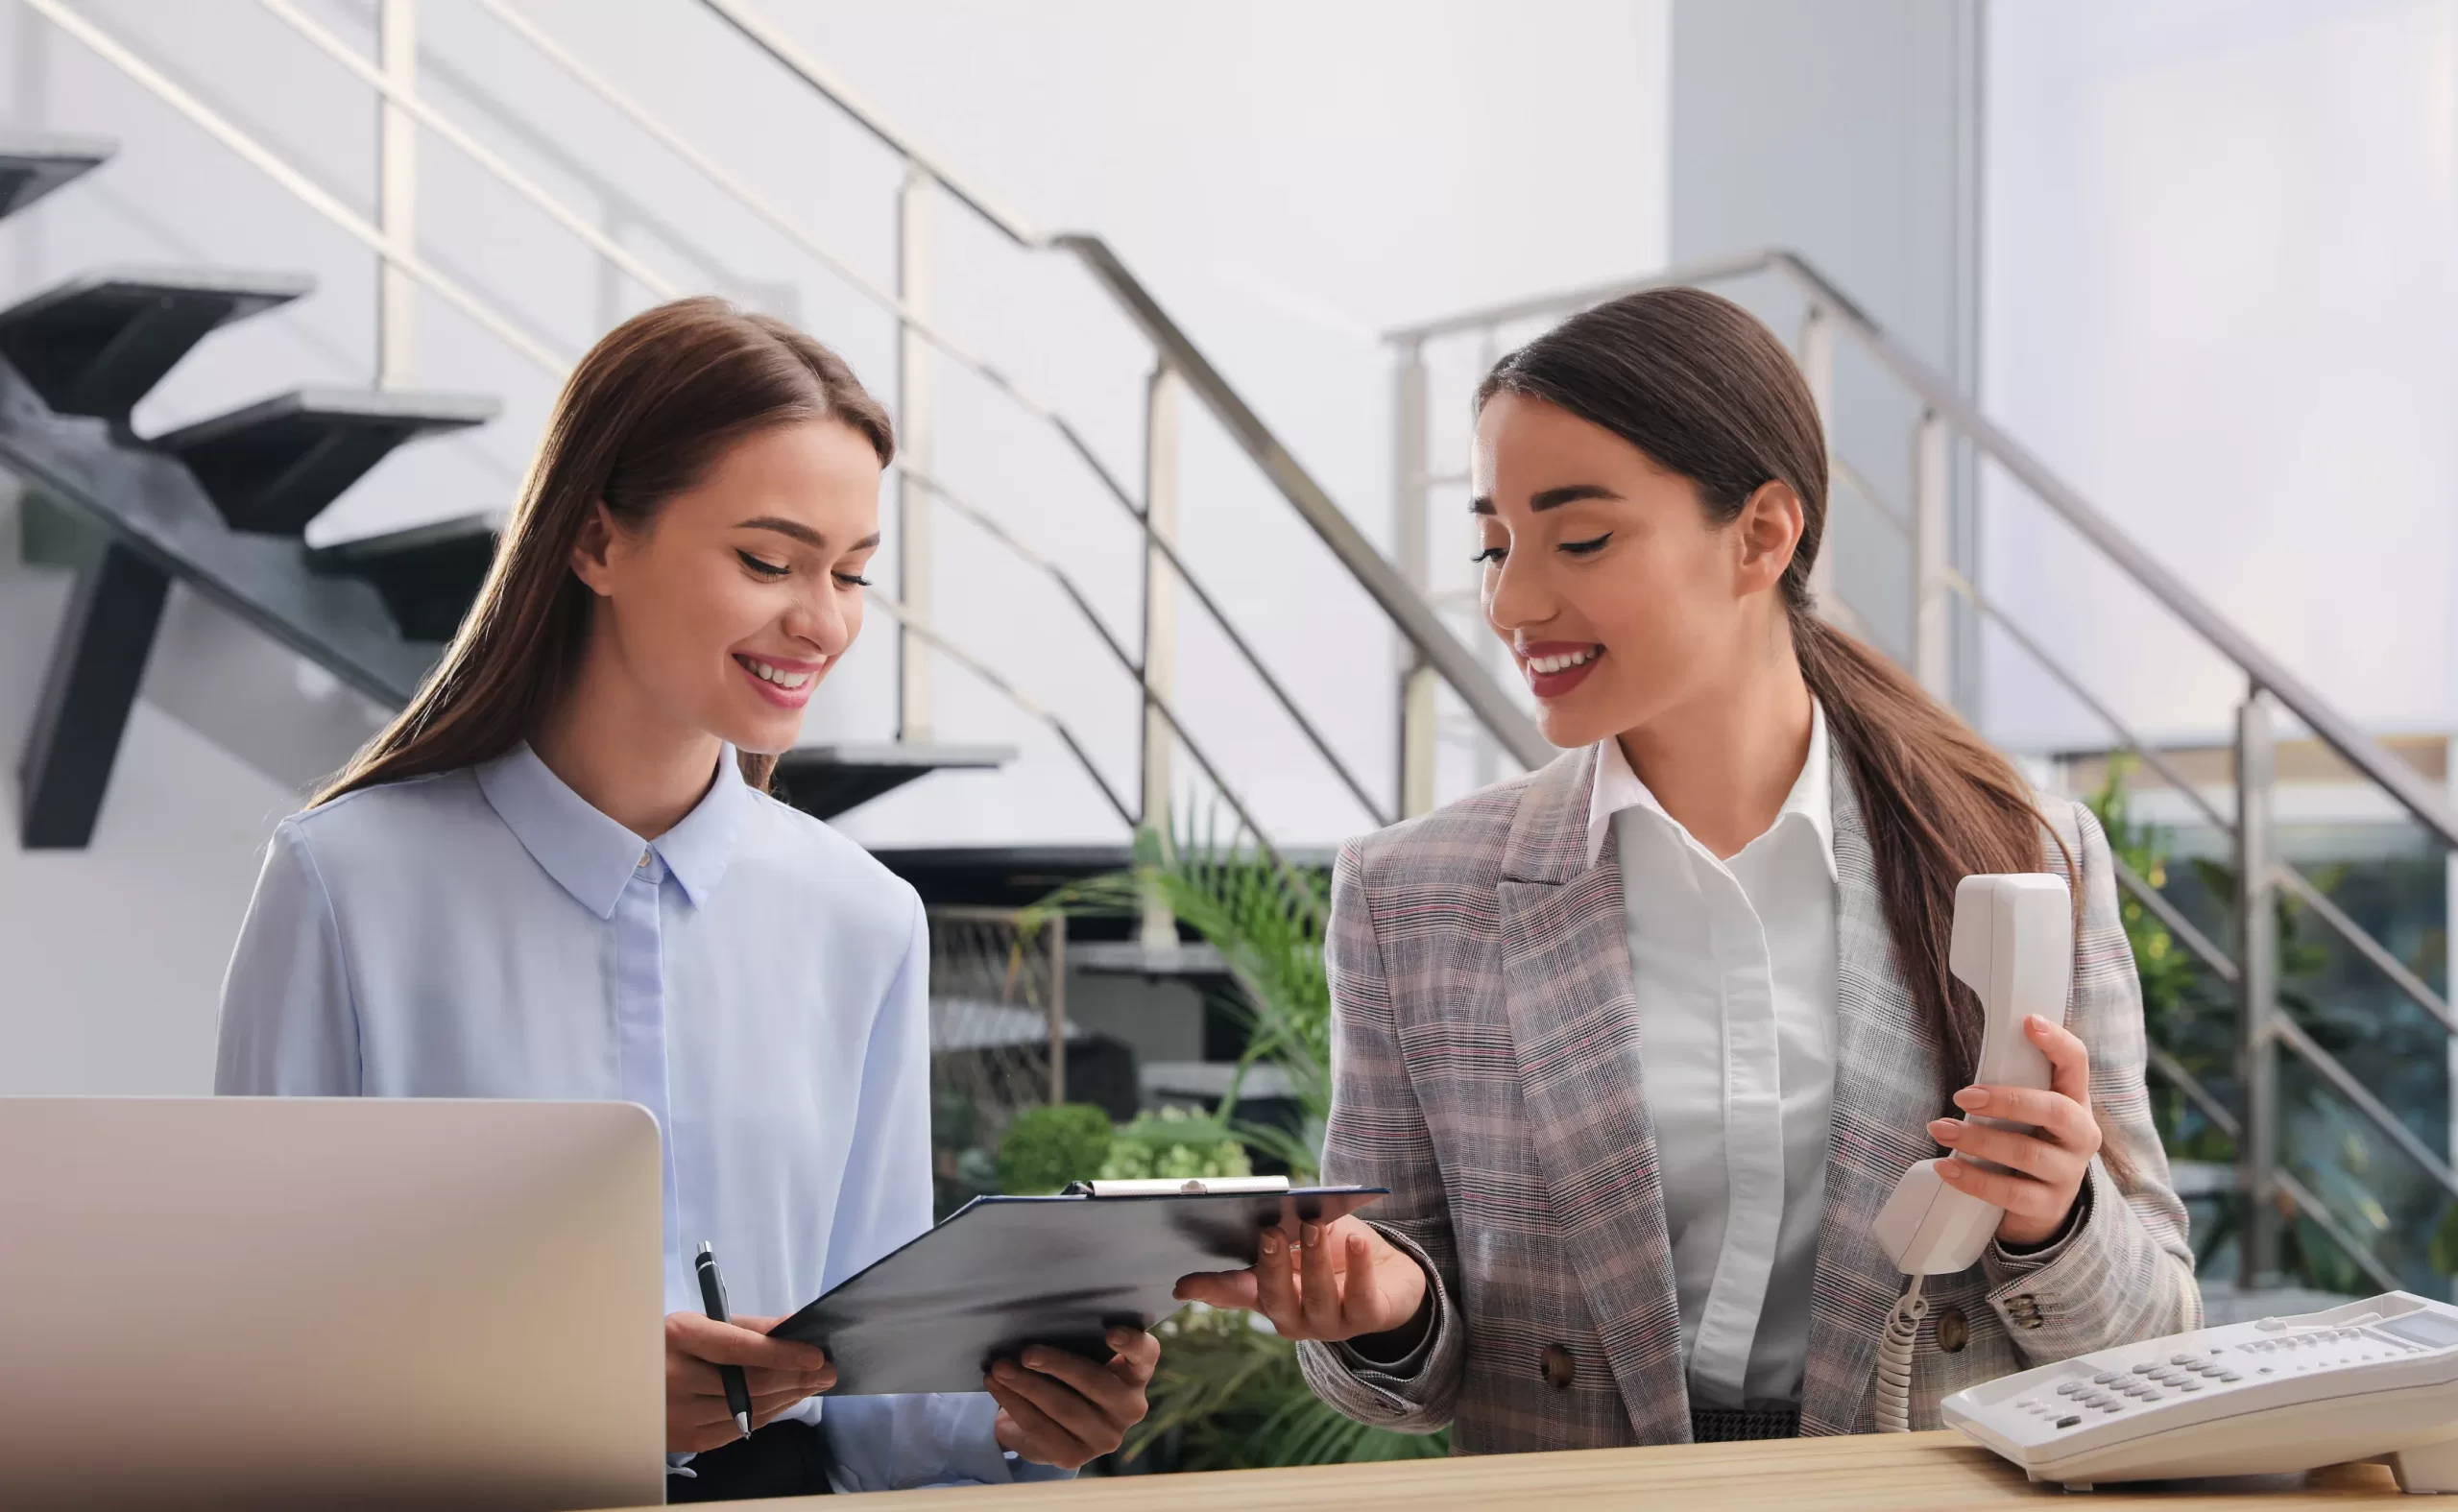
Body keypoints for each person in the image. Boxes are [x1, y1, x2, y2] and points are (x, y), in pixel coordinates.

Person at [1177, 287, 2198, 1449]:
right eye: (1493, 545)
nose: (1512, 601)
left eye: (1579, 539)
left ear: (1763, 534)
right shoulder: (1412, 897)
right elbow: (1389, 1371)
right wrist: (1381, 1313)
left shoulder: (2022, 854)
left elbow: (2158, 1328)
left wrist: (2055, 1220)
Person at [216, 298, 1155, 1497]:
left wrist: (1028, 1421)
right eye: (768, 561)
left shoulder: (862, 917)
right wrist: (569, 1390)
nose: (820, 622)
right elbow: (254, 1342)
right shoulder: (344, 884)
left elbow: (878, 1414)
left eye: (853, 573)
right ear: (597, 542)